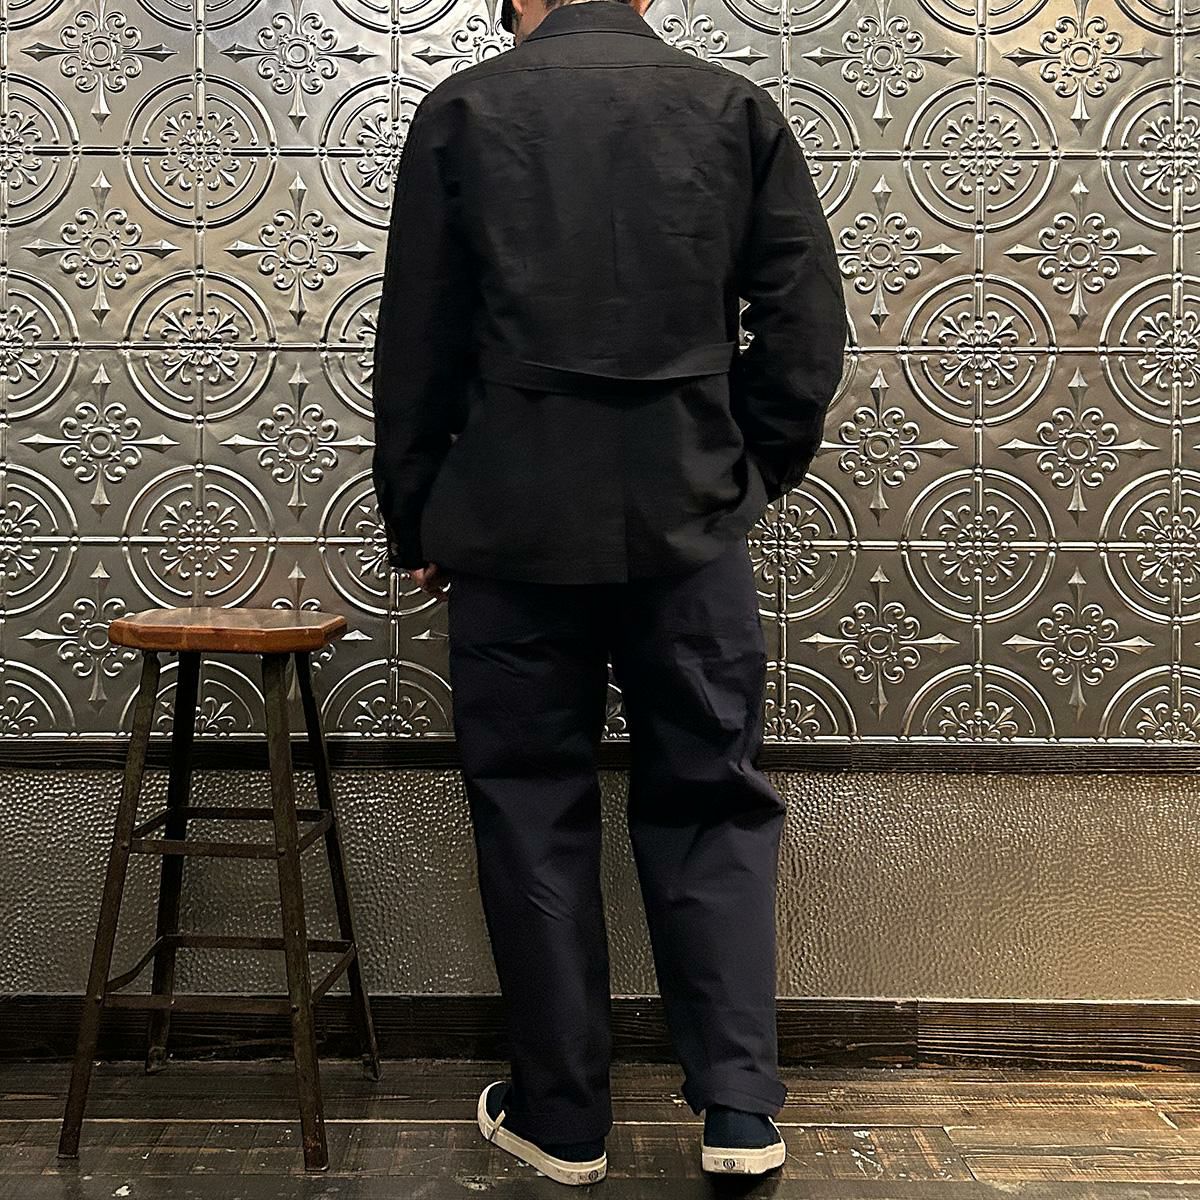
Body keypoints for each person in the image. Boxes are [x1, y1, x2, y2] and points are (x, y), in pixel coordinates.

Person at [371, 0, 847, 1184]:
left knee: (531, 808)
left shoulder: (463, 109)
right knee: (714, 802)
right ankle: (739, 1113)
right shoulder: (732, 107)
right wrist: (749, 469)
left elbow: (418, 336)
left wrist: (416, 512)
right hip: (689, 520)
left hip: (510, 524)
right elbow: (803, 321)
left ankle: (564, 1120)